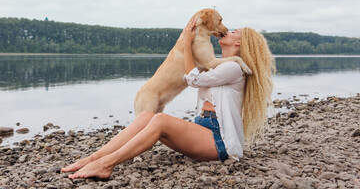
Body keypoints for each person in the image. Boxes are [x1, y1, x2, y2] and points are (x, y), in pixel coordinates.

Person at [61, 18, 275, 179]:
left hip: (220, 142)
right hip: (204, 130)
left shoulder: (234, 68)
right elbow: (202, 68)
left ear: (239, 43)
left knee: (161, 120)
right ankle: (92, 158)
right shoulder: (220, 64)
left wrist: (185, 44)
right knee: (146, 116)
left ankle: (106, 164)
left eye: (234, 31)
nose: (227, 30)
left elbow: (193, 79)